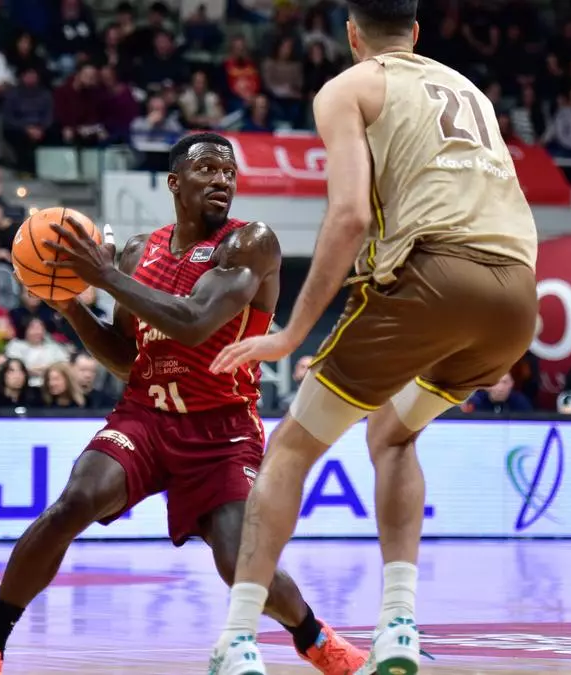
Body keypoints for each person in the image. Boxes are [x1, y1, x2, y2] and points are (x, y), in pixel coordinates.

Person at [205, 1, 540, 671]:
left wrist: (292, 333)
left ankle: (239, 639)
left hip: (435, 279)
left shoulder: (350, 86)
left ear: (353, 35)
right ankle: (400, 625)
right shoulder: (470, 89)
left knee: (291, 449)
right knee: (392, 433)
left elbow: (351, 214)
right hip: (517, 298)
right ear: (416, 33)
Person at [0, 133, 365, 675]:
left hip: (223, 429)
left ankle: (313, 636)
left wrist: (105, 278)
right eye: (207, 169)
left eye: (229, 172)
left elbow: (194, 324)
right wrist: (75, 310)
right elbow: (128, 358)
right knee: (72, 504)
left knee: (237, 557)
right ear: (175, 182)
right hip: (145, 417)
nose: (222, 179)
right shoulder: (135, 253)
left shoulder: (251, 244)